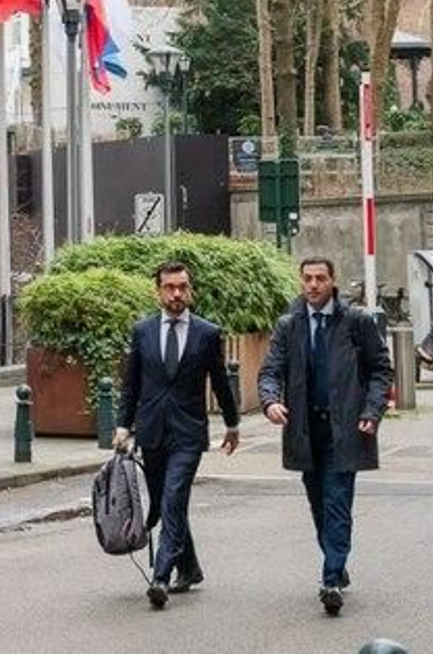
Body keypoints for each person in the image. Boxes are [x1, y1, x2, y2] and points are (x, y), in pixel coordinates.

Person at [258, 257, 393, 616]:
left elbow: (381, 370)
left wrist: (371, 412)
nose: (313, 285)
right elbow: (270, 371)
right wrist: (270, 401)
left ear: (333, 282)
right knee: (318, 504)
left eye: (320, 278)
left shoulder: (356, 323)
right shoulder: (289, 326)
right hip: (305, 430)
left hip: (345, 428)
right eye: (307, 279)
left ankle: (330, 578)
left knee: (336, 501)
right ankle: (337, 561)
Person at [113, 261, 241, 610]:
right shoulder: (142, 331)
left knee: (173, 497)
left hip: (188, 433)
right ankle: (191, 568)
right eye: (170, 287)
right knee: (166, 503)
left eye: (182, 287)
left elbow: (220, 383)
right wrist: (123, 426)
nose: (176, 294)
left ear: (190, 289)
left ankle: (160, 576)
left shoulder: (207, 333)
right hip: (152, 431)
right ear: (159, 291)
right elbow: (131, 384)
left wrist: (232, 425)